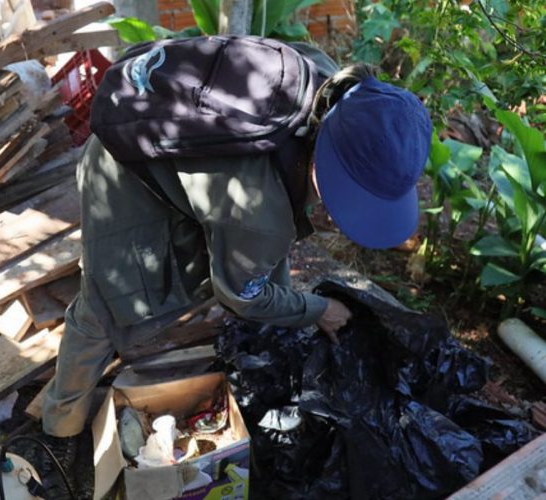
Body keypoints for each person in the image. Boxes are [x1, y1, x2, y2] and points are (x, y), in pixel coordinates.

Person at [39, 38, 433, 479]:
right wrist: (318, 310)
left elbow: (270, 228)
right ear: (321, 159)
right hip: (122, 170)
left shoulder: (335, 89)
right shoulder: (257, 213)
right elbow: (240, 296)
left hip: (187, 146)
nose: (341, 215)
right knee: (104, 307)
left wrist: (285, 296)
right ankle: (60, 426)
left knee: (232, 253)